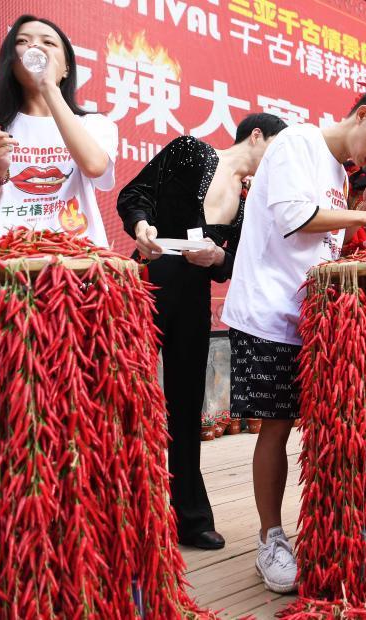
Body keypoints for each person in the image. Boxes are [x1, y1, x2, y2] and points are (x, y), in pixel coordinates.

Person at [221, 83, 366, 593]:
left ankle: (335, 530)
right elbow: (293, 220)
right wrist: (364, 214)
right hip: (268, 312)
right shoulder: (296, 145)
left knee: (333, 423)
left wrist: (357, 203)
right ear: (361, 113)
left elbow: (323, 239)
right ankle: (271, 540)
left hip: (312, 314)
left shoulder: (336, 171)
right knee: (277, 425)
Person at [116, 113, 288, 550]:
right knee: (126, 396)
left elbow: (237, 264)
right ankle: (122, 514)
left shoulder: (250, 203)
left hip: (193, 301)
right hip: (150, 282)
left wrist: (216, 259)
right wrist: (142, 228)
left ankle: (189, 519)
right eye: (277, 149)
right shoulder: (190, 150)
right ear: (256, 136)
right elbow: (134, 193)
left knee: (186, 408)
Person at [0, 14, 117, 246]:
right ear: (12, 63)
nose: (35, 46)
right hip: (12, 266)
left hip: (81, 266)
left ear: (66, 68)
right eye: (23, 41)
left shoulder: (94, 123)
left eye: (48, 42)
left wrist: (48, 87)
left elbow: (95, 166)